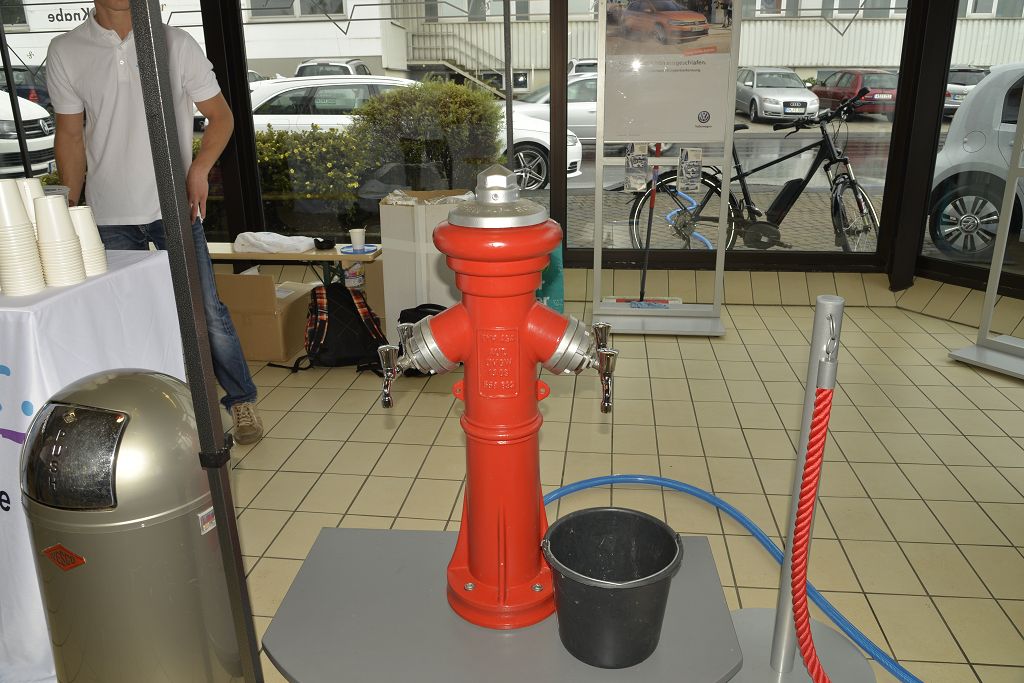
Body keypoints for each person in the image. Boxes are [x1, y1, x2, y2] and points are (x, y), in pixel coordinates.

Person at [48, 0, 264, 445]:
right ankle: (144, 412)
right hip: (109, 213)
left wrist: (199, 170)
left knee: (205, 310)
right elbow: (69, 134)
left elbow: (221, 117)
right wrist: (69, 205)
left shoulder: (174, 43)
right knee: (125, 319)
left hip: (174, 206)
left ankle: (241, 400)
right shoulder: (66, 50)